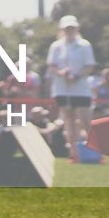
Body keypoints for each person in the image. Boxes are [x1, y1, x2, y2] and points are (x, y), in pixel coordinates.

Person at [45, 16, 96, 158]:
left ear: (77, 28)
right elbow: (52, 65)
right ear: (62, 29)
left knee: (85, 120)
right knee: (68, 120)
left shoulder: (84, 45)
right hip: (63, 88)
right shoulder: (56, 46)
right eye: (67, 28)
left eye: (72, 28)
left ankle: (96, 152)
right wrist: (61, 73)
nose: (70, 31)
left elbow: (89, 65)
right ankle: (74, 153)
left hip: (81, 89)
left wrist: (77, 76)